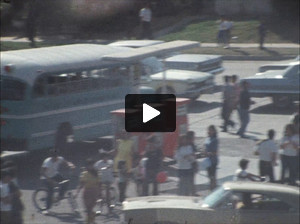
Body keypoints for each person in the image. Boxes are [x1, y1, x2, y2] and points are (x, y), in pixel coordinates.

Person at [40, 148, 75, 214]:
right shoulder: (47, 163)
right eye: (54, 157)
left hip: (55, 175)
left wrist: (71, 165)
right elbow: (42, 172)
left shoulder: (59, 159)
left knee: (66, 182)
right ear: (51, 157)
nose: (56, 159)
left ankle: (59, 196)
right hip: (46, 178)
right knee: (51, 192)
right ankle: (46, 209)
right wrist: (50, 180)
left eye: (56, 157)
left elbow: (66, 162)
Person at [76, 159, 101, 224]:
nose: (91, 166)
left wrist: (100, 193)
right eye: (89, 165)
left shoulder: (97, 173)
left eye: (92, 165)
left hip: (94, 192)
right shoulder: (84, 174)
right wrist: (77, 192)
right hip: (87, 192)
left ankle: (90, 220)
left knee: (91, 207)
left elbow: (99, 184)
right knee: (88, 208)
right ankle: (90, 221)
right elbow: (81, 184)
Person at [204, 125, 219, 190]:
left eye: (211, 130)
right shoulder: (207, 138)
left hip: (213, 160)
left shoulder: (215, 140)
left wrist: (208, 153)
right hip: (207, 160)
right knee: (209, 175)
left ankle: (213, 188)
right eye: (209, 130)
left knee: (212, 176)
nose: (209, 131)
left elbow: (215, 152)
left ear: (214, 131)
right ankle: (211, 186)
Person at [187, 131, 198, 195]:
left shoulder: (189, 144)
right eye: (194, 136)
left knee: (191, 179)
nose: (194, 137)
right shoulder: (191, 144)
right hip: (191, 163)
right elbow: (193, 154)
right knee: (191, 179)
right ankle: (192, 192)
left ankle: (193, 192)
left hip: (191, 163)